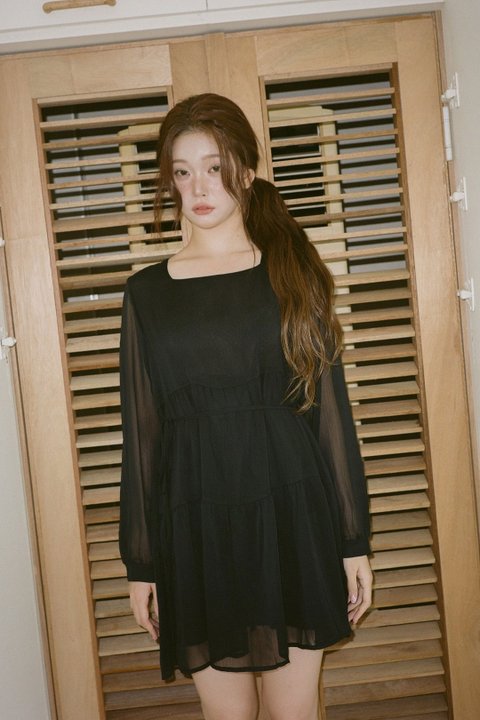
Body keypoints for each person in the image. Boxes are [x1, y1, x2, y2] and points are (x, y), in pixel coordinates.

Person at [119, 92, 372, 720]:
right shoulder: (146, 294)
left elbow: (330, 413)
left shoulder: (293, 271)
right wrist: (141, 562)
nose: (199, 187)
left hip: (292, 513)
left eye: (215, 166)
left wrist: (352, 541)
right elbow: (142, 435)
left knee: (294, 713)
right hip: (193, 525)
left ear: (248, 172)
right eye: (183, 172)